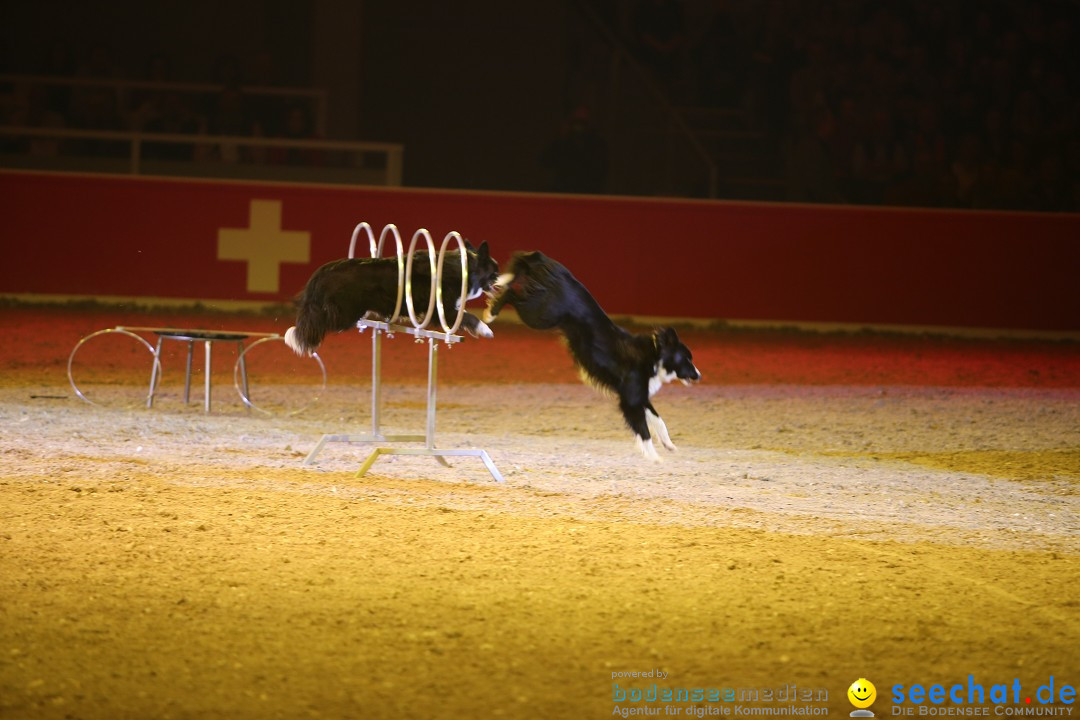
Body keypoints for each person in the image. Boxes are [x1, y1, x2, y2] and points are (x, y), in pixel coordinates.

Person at [541, 106, 608, 194]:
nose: (579, 127)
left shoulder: (598, 145)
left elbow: (601, 171)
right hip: (563, 194)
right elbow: (544, 161)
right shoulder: (563, 143)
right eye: (576, 121)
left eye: (583, 122)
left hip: (590, 195)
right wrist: (561, 138)